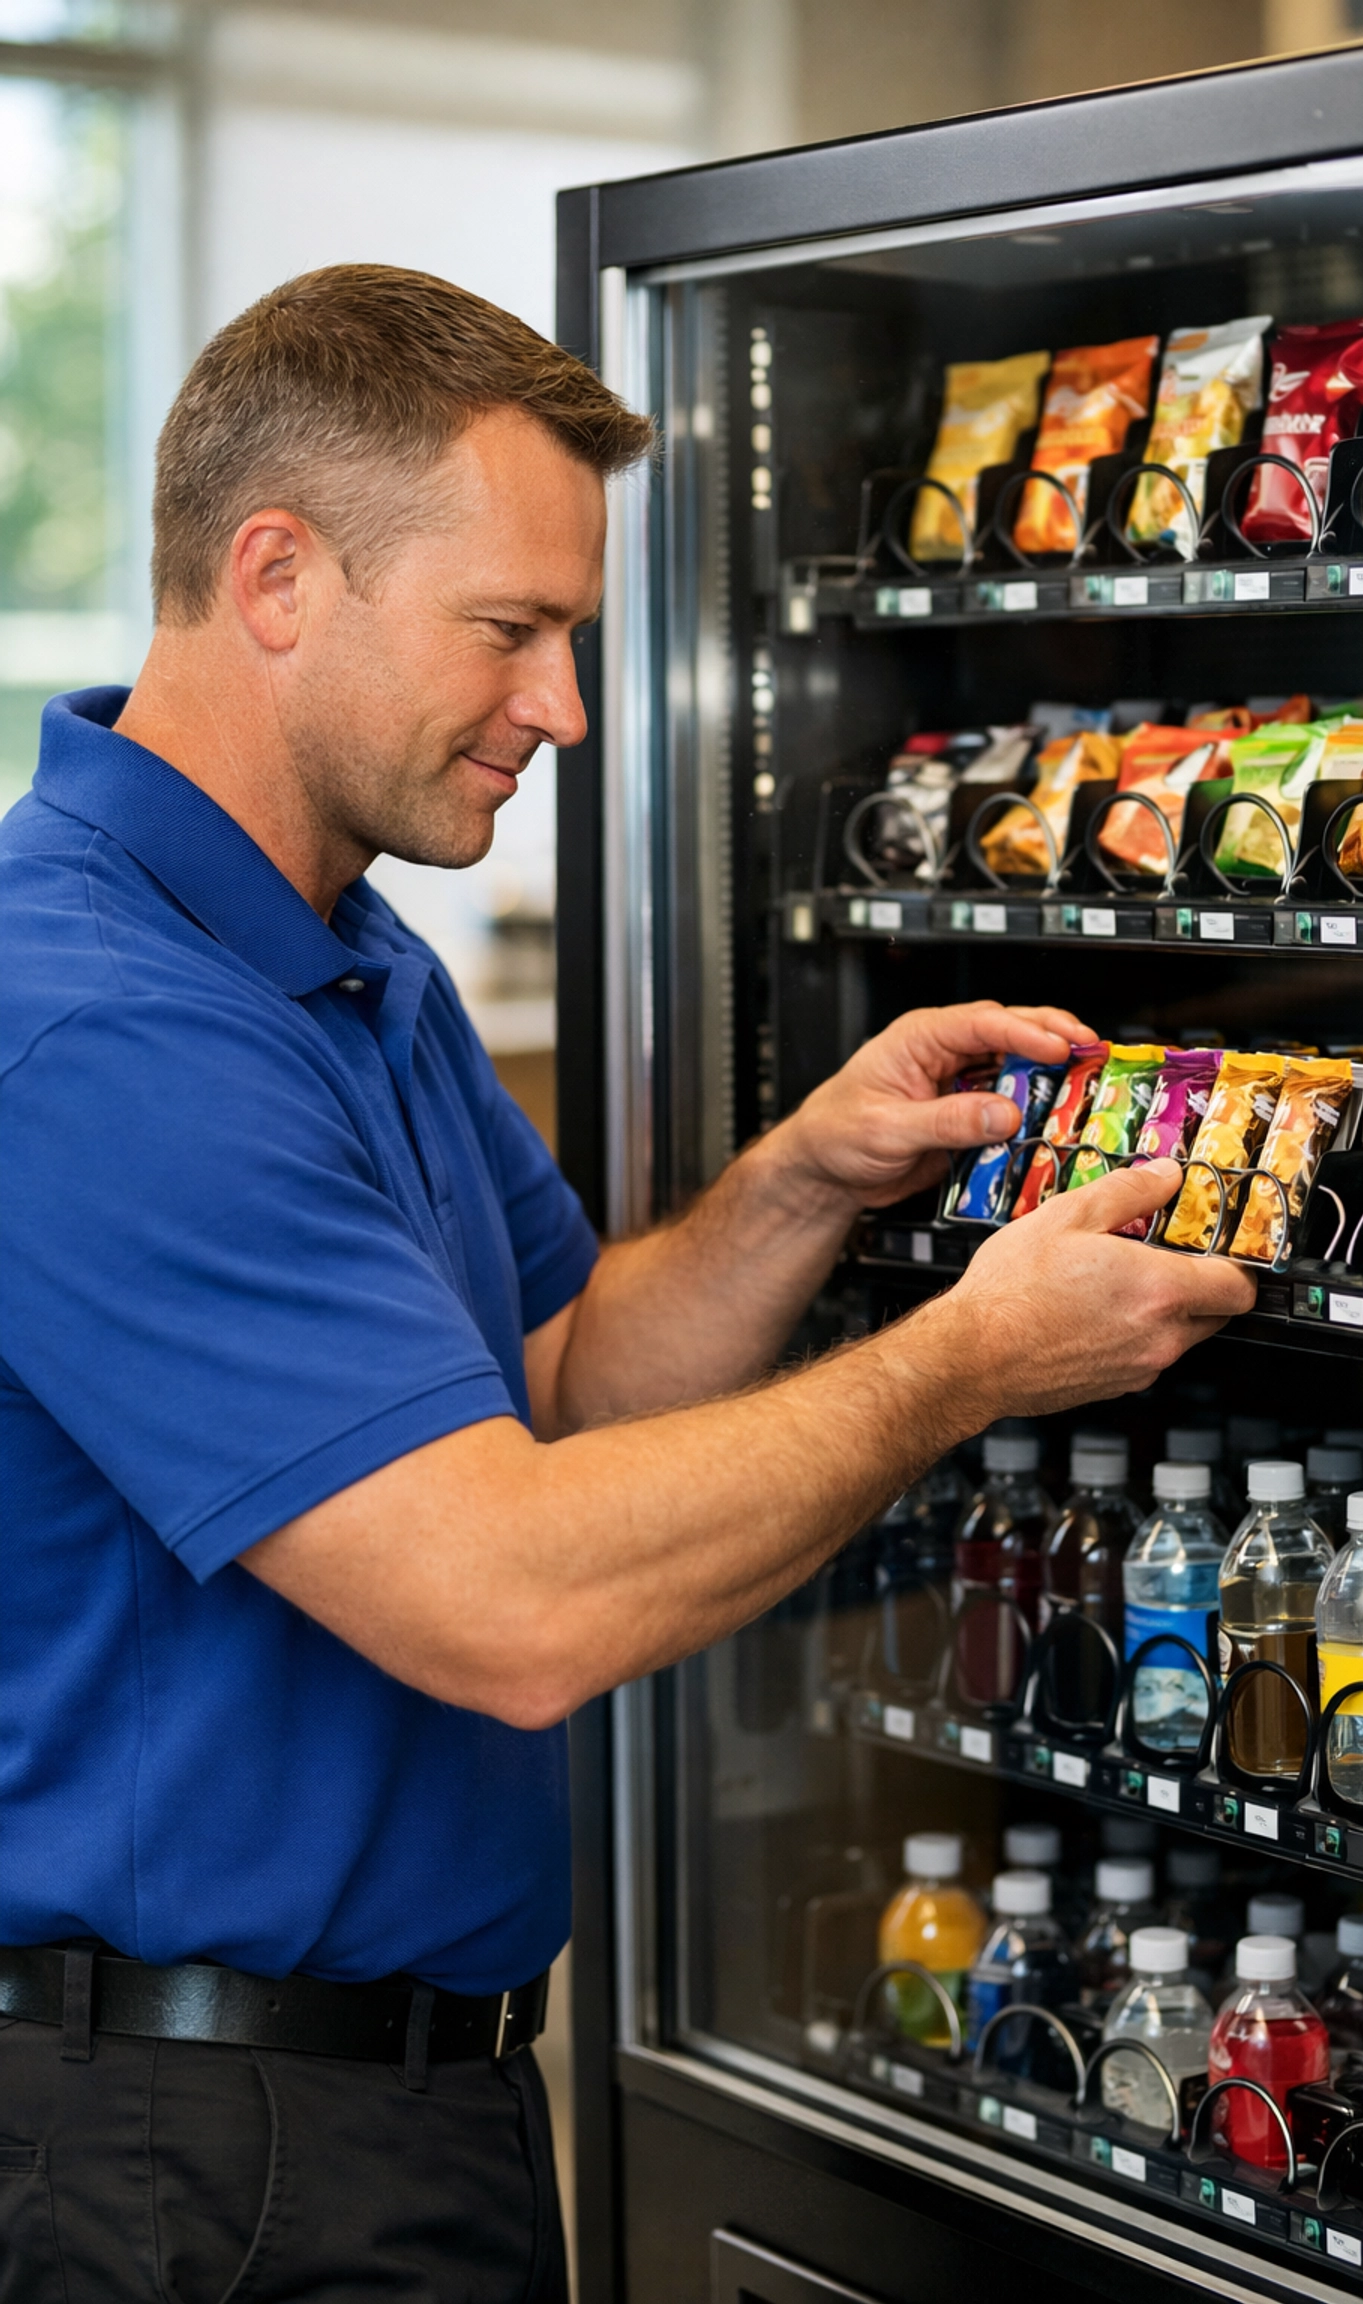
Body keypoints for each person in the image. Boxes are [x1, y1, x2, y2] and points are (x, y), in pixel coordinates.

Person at [0, 265, 1254, 2300]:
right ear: (277, 575)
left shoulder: (340, 950)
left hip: (412, 2104)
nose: (568, 709)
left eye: (571, 636)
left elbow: (567, 1376)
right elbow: (507, 1599)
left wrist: (801, 1184)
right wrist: (971, 1360)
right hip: (175, 2164)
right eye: (514, 630)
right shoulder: (90, 1025)